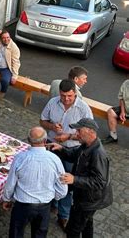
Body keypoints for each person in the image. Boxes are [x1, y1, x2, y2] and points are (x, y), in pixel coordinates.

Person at [39, 79, 93, 230]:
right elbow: (42, 120)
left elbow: (89, 134)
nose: (66, 99)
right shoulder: (53, 102)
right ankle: (51, 204)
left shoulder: (83, 109)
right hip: (51, 145)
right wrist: (51, 126)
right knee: (49, 176)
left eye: (69, 96)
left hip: (71, 150)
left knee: (66, 182)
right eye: (63, 96)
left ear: (75, 93)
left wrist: (68, 136)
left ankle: (63, 216)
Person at [48, 118, 113, 238]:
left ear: (91, 131)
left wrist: (75, 179)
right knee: (87, 222)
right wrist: (61, 149)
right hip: (86, 196)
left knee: (73, 230)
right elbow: (74, 156)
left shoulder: (98, 154)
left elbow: (100, 181)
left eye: (79, 130)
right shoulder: (86, 145)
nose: (76, 134)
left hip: (89, 200)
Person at [2, 126, 68, 238]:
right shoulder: (55, 159)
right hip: (44, 206)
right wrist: (53, 197)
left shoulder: (20, 158)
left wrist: (7, 199)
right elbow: (62, 189)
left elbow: (10, 183)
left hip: (22, 205)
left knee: (16, 234)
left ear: (29, 141)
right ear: (45, 141)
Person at [102, 77, 129, 144]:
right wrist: (123, 112)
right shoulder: (126, 83)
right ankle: (113, 136)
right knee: (111, 112)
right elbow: (121, 98)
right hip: (126, 108)